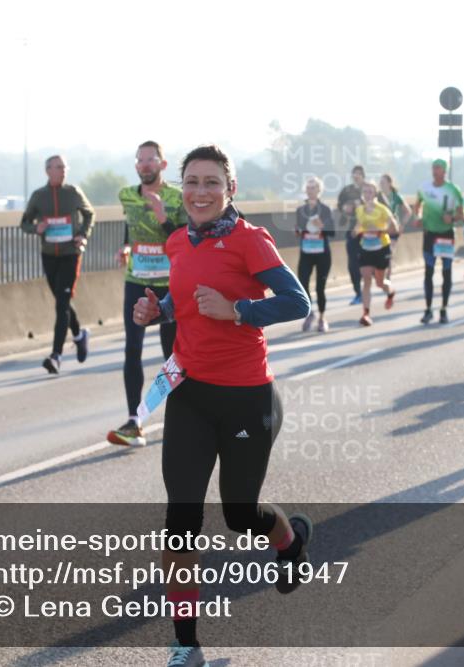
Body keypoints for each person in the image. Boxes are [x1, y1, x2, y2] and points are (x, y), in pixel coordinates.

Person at [131, 144, 311, 667]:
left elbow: (298, 302)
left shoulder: (249, 240)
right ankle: (186, 644)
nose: (201, 191)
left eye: (212, 182)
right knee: (180, 518)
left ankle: (290, 540)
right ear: (180, 188)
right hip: (188, 394)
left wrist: (240, 310)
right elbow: (183, 301)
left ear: (230, 190)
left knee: (239, 513)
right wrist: (155, 309)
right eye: (192, 182)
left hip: (246, 398)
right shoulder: (176, 243)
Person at [108, 141, 187, 447]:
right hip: (136, 280)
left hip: (169, 284)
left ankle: (179, 417)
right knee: (132, 350)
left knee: (172, 354)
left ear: (162, 165)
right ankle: (134, 420)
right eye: (139, 160)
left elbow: (182, 241)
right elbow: (133, 226)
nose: (144, 165)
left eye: (150, 160)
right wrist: (127, 246)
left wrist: (164, 217)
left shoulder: (176, 198)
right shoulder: (127, 195)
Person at [20, 155, 95, 374]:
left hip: (70, 254)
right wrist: (37, 228)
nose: (63, 171)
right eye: (59, 167)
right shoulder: (39, 196)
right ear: (48, 171)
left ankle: (56, 356)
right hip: (48, 255)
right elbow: (24, 223)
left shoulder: (73, 193)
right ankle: (80, 335)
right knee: (62, 301)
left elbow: (89, 214)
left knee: (61, 304)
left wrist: (82, 234)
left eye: (64, 167)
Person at [412, 159, 464, 324]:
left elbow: (461, 215)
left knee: (446, 272)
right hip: (429, 235)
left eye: (439, 168)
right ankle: (428, 309)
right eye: (433, 168)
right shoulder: (424, 187)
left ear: (445, 171)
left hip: (446, 235)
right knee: (428, 272)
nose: (435, 171)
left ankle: (444, 309)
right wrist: (418, 217)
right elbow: (417, 205)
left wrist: (452, 218)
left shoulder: (453, 190)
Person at [354, 180, 399, 326]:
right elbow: (357, 228)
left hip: (381, 248)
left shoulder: (382, 210)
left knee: (380, 283)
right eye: (365, 191)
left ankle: (390, 292)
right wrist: (357, 231)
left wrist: (380, 231)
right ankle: (366, 314)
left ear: (375, 193)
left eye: (370, 191)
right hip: (365, 247)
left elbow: (395, 228)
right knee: (366, 279)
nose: (367, 194)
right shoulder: (359, 210)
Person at [295, 176, 335, 332]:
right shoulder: (300, 210)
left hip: (322, 253)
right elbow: (298, 228)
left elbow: (332, 232)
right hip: (306, 252)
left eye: (313, 187)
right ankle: (309, 313)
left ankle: (322, 318)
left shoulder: (325, 209)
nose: (310, 190)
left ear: (319, 190)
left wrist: (322, 226)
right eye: (308, 187)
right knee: (302, 284)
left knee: (320, 287)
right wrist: (298, 231)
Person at [337, 166, 367, 305]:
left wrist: (361, 203)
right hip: (352, 232)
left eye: (359, 174)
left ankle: (368, 290)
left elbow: (381, 207)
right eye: (354, 173)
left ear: (363, 176)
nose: (356, 176)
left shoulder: (370, 190)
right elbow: (339, 205)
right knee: (352, 264)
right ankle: (358, 293)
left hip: (368, 232)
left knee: (367, 263)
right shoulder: (346, 191)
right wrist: (344, 208)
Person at [380, 173, 410, 283]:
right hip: (381, 229)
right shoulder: (378, 197)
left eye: (383, 182)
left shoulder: (396, 196)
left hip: (393, 229)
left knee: (389, 251)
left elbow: (408, 212)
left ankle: (388, 276)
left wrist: (402, 224)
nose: (381, 184)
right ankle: (382, 272)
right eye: (380, 182)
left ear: (389, 183)